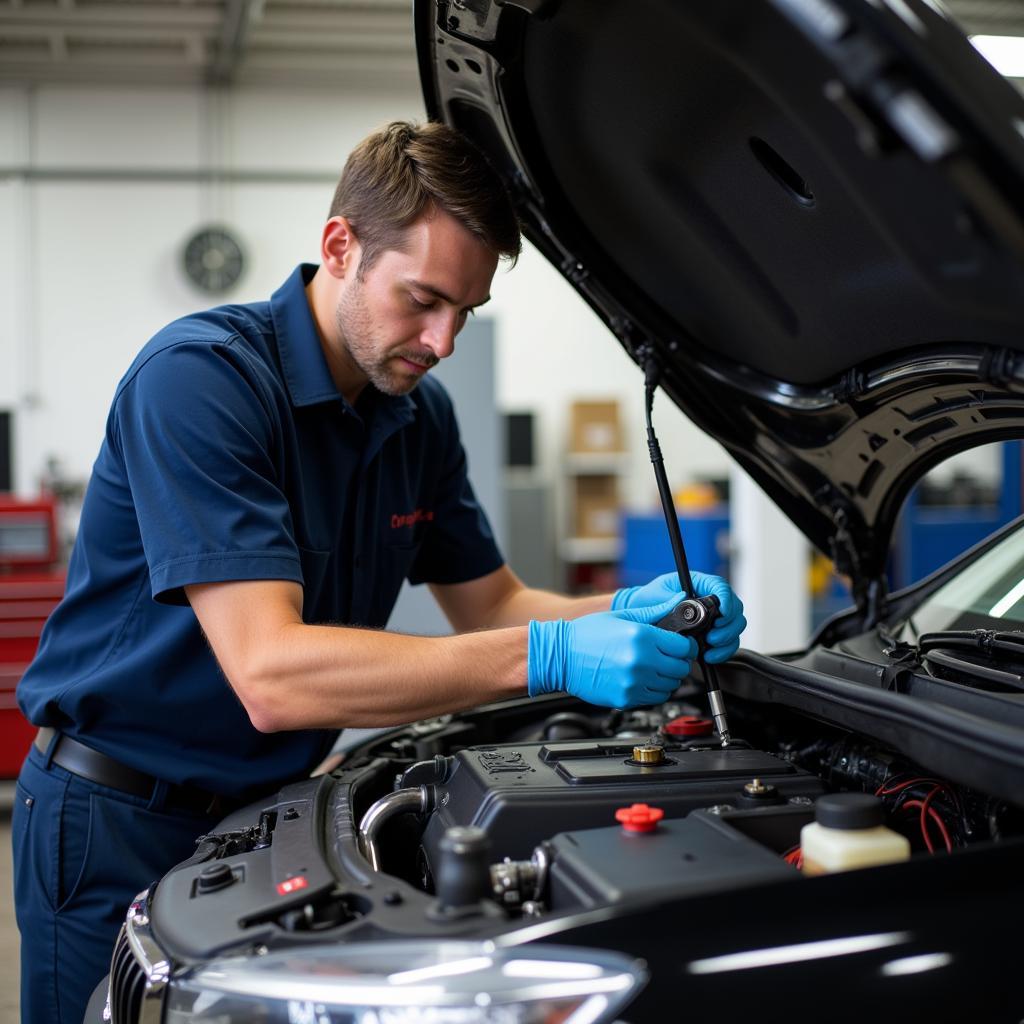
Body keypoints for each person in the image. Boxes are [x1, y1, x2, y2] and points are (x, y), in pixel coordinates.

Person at [13, 120, 746, 1023]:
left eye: (466, 313)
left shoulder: (417, 418)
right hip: (116, 817)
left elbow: (495, 604)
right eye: (423, 300)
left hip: (269, 808)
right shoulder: (201, 381)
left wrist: (634, 611)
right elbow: (272, 676)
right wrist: (551, 652)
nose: (441, 341)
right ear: (339, 246)